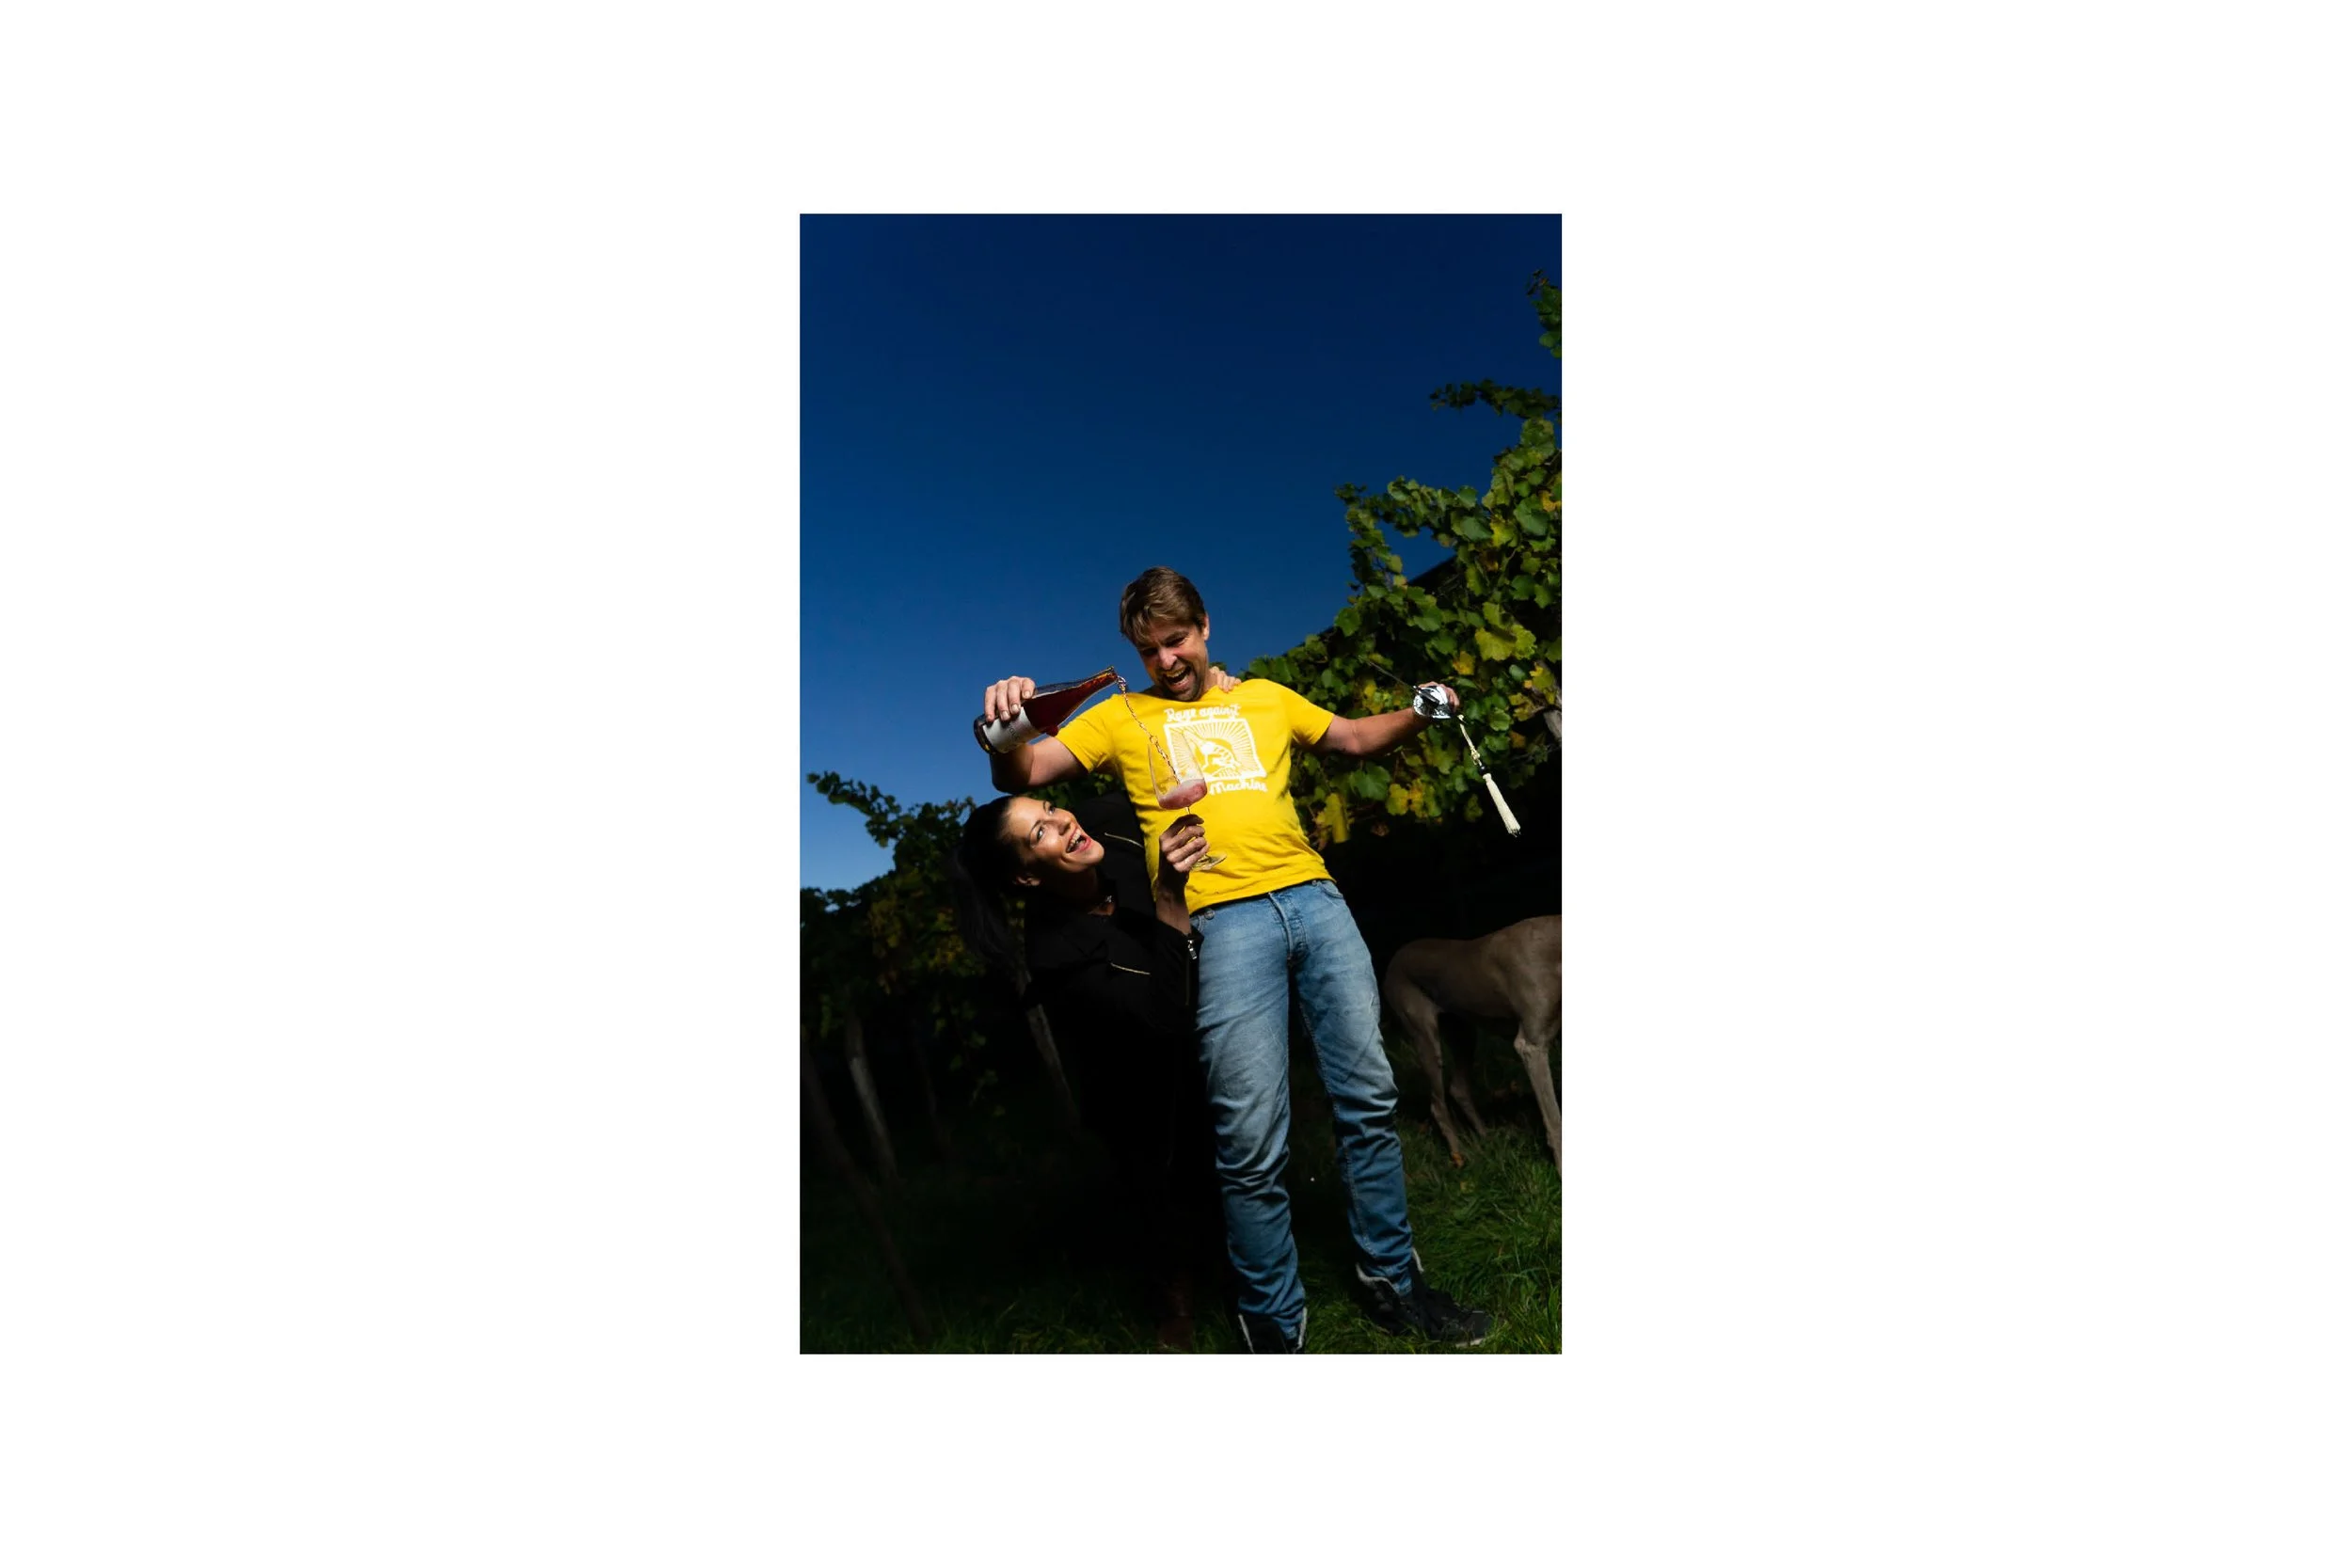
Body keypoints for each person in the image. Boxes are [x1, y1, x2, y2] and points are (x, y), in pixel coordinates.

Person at [978, 566, 1492, 1352]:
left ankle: (1393, 1278)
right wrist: (1009, 725)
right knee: (1251, 1134)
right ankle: (1274, 1323)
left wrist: (1421, 711)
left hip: (1316, 901)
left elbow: (1351, 736)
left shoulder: (1266, 697)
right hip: (1223, 921)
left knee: (1369, 1096)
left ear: (1206, 624)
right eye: (1149, 649)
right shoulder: (1119, 717)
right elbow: (1027, 772)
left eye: (1177, 639)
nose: (1167, 660)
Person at [948, 785, 1227, 1351]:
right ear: (1027, 876)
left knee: (1216, 1151)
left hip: (1199, 1030)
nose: (1064, 823)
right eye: (1041, 833)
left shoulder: (1105, 822)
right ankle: (1172, 1298)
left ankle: (1240, 1253)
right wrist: (1170, 898)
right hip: (1128, 1072)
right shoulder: (1055, 957)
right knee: (1153, 1176)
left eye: (1049, 809)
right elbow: (1161, 1021)